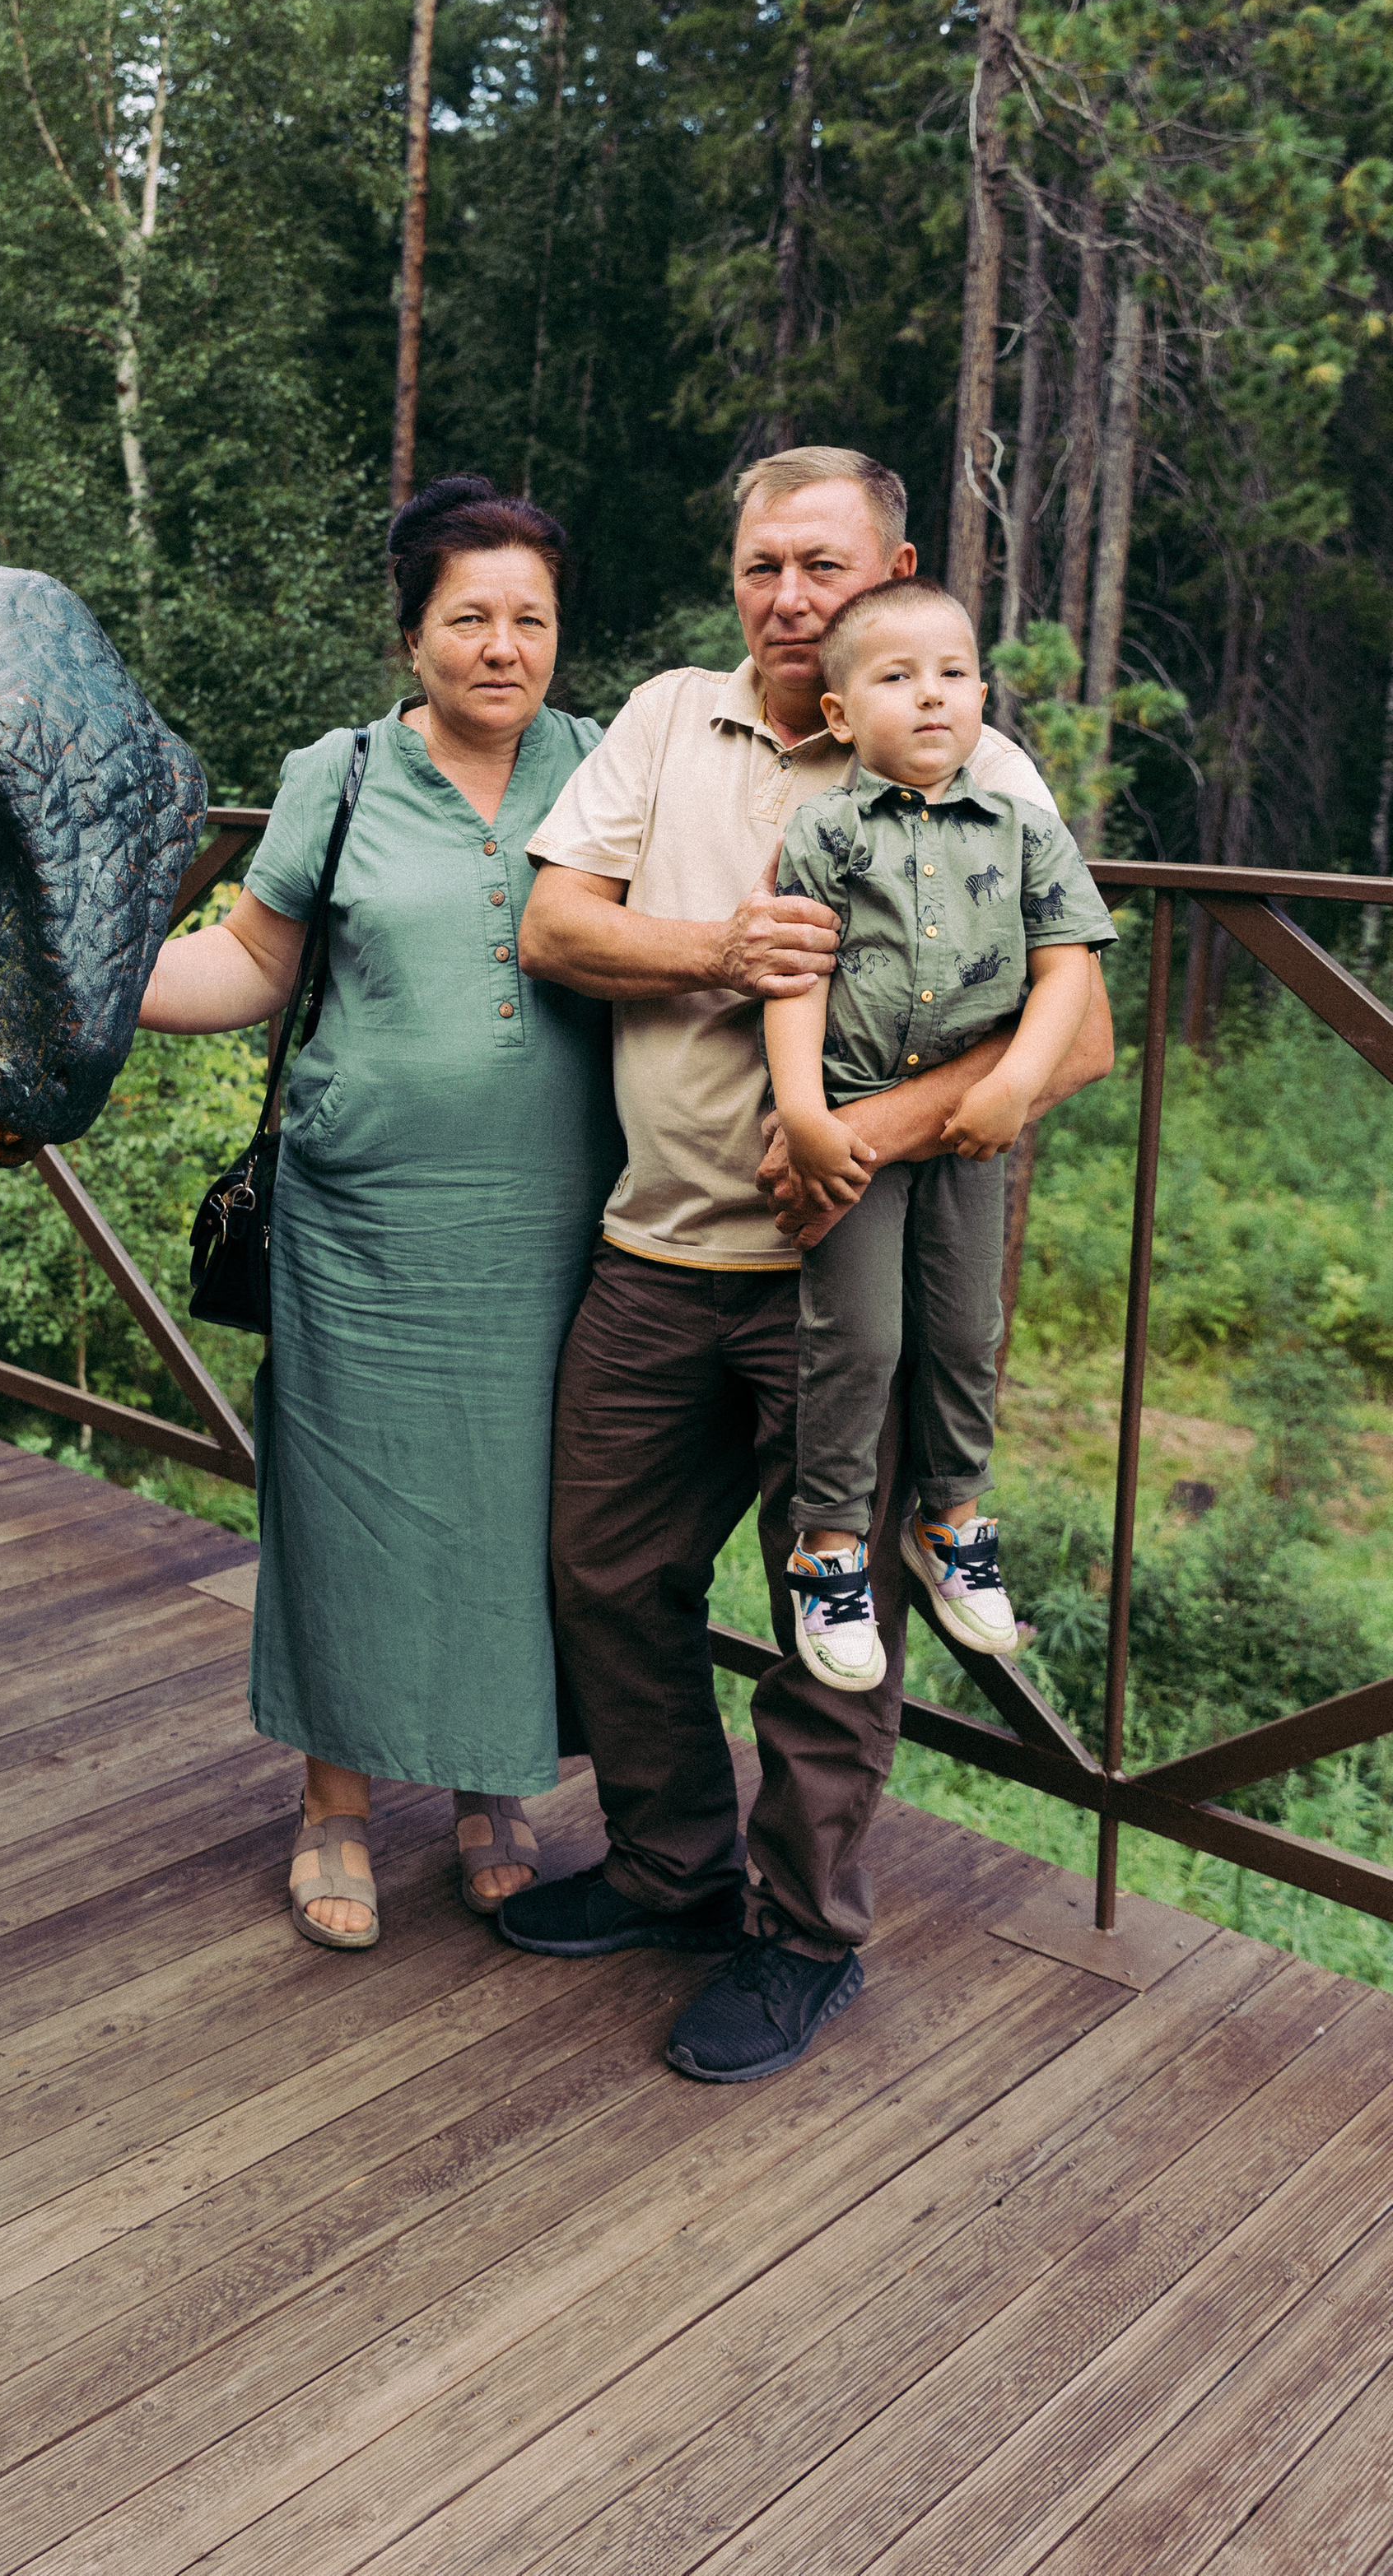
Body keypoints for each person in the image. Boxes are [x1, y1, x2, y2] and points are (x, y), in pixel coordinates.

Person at [507, 446, 1114, 2085]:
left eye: (822, 569)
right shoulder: (666, 718)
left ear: (893, 570)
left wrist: (863, 1131)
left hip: (848, 1281)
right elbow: (555, 926)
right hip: (653, 1249)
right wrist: (713, 945)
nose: (789, 600)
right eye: (761, 567)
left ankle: (797, 1938)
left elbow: (1073, 1031)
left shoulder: (963, 748)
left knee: (825, 1622)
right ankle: (666, 1866)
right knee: (604, 1573)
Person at [139, 476, 622, 1949]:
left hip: (557, 1222)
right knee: (346, 1514)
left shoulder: (606, 764)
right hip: (360, 1224)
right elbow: (248, 970)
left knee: (520, 1519)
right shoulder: (338, 773)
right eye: (468, 616)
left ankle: (493, 1788)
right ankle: (335, 1805)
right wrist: (72, 994)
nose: (502, 646)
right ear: (412, 632)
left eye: (529, 619)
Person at [762, 575, 1116, 1692]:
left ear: (981, 695)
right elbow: (794, 982)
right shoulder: (820, 834)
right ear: (839, 715)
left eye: (954, 674)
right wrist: (806, 1117)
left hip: (972, 1136)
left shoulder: (1025, 832)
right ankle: (830, 1545)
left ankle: (950, 1518)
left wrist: (1016, 1083)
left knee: (966, 1331)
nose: (931, 698)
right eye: (897, 677)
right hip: (855, 1121)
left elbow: (1067, 967)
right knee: (858, 1338)